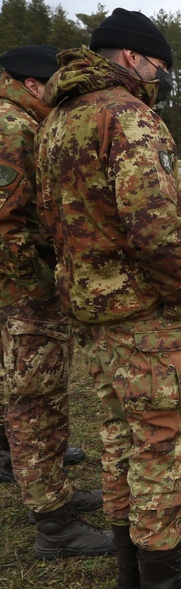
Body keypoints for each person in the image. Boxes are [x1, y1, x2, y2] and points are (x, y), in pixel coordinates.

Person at [35, 8, 181, 589]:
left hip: (90, 309)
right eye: (160, 66)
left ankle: (130, 568)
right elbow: (156, 226)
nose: (163, 78)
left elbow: (49, 222)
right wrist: (180, 295)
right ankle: (163, 585)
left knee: (119, 437)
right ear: (130, 57)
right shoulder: (128, 117)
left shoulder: (57, 119)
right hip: (142, 313)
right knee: (160, 444)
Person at [0, 44, 107, 555]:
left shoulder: (19, 121)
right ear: (31, 85)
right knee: (33, 402)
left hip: (21, 290)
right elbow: (6, 226)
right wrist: (42, 285)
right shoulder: (13, 127)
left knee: (32, 398)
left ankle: (53, 494)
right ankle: (54, 525)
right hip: (23, 294)